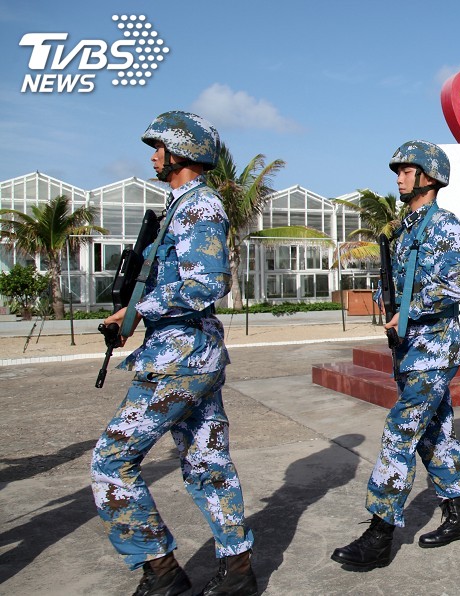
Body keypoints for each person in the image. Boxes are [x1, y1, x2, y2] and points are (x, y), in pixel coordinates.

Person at [90, 111, 257, 596]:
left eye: (159, 146)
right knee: (208, 463)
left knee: (111, 461)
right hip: (189, 354)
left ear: (180, 151)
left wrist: (139, 309)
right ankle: (239, 571)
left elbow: (207, 284)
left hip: (179, 359)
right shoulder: (179, 206)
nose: (153, 155)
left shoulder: (199, 207)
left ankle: (160, 571)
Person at [332, 140, 460, 569]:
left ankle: (379, 533)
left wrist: (410, 307)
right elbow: (396, 284)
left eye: (407, 170)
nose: (398, 177)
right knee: (436, 435)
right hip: (409, 349)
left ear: (429, 177)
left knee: (400, 431)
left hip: (433, 348)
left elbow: (458, 284)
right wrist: (388, 301)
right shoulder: (404, 230)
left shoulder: (444, 226)